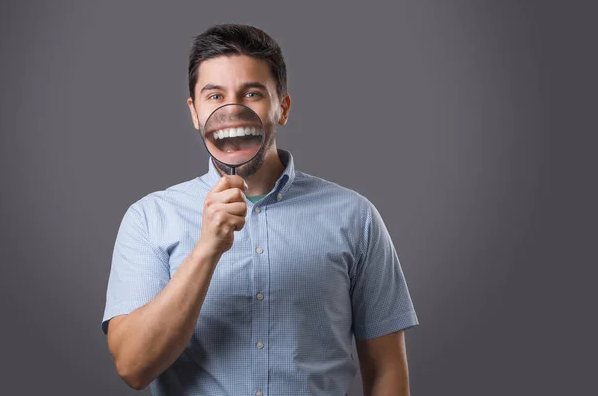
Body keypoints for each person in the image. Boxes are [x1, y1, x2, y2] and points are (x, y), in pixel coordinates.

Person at [101, 23, 419, 396]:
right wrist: (207, 249)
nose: (231, 111)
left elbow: (385, 369)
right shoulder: (149, 219)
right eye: (215, 96)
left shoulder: (355, 217)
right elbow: (133, 367)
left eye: (251, 94)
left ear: (281, 108)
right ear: (194, 113)